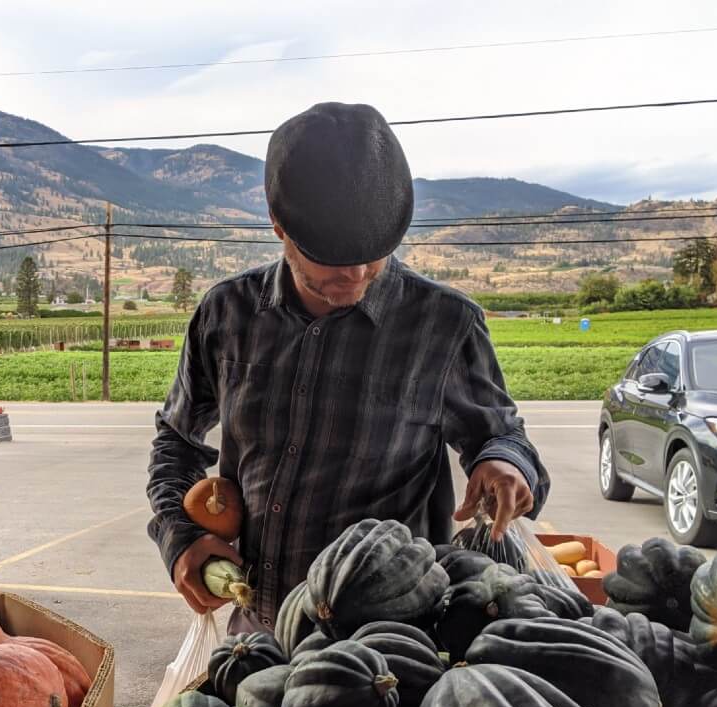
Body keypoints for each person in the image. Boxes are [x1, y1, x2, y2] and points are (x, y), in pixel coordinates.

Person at [145, 101, 550, 633]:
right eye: (333, 256)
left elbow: (504, 438)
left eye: (377, 251)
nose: (358, 272)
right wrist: (180, 537)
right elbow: (176, 443)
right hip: (257, 638)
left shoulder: (445, 325)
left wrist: (505, 465)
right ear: (278, 224)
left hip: (388, 650)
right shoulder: (227, 314)